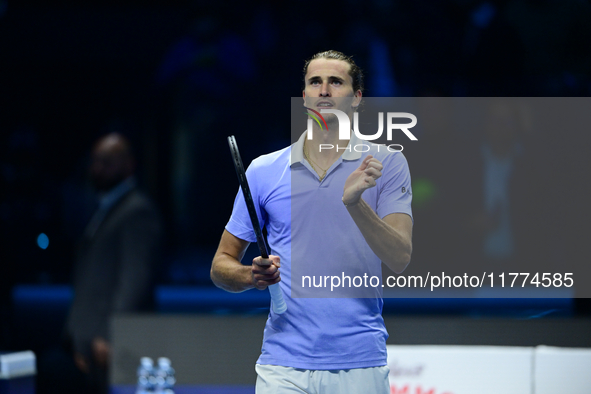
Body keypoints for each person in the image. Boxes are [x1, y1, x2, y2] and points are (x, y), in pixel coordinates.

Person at [211, 50, 413, 393]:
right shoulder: (264, 170)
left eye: (336, 82)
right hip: (282, 365)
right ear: (303, 97)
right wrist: (251, 275)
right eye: (314, 82)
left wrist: (354, 203)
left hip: (360, 362)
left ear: (357, 98)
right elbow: (220, 266)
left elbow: (399, 258)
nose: (324, 91)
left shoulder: (386, 164)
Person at [43, 133, 163, 394]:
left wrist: (112, 334)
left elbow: (134, 279)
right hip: (86, 341)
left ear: (129, 165)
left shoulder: (137, 211)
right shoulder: (105, 207)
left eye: (107, 161)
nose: (97, 168)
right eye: (95, 161)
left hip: (109, 344)